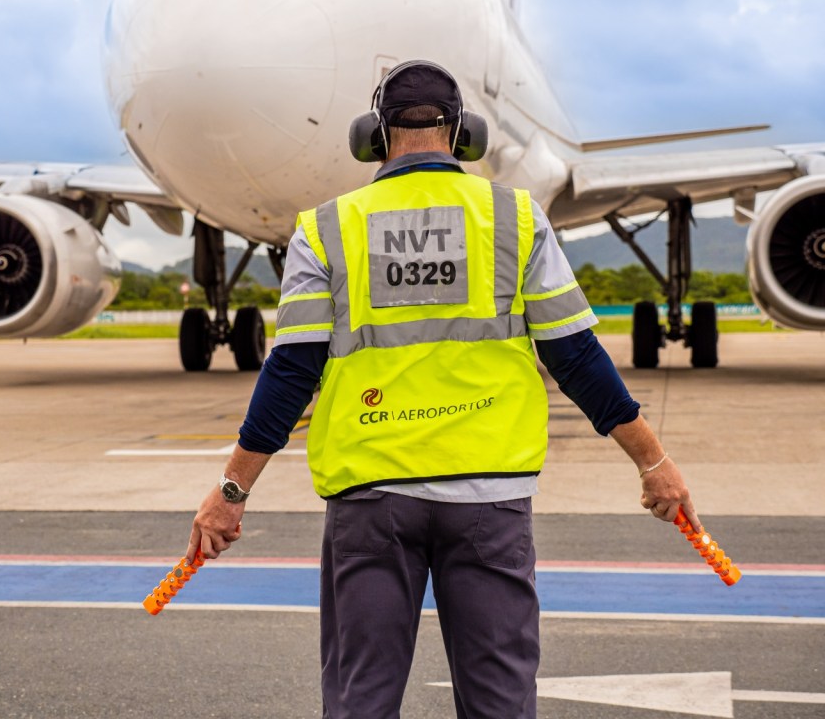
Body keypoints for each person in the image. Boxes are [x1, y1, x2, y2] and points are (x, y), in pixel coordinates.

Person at [186, 60, 701, 719]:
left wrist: (231, 493)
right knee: (500, 703)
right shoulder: (514, 218)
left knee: (359, 700)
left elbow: (292, 372)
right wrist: (653, 463)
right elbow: (575, 356)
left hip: (372, 500)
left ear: (373, 135)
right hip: (488, 500)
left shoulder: (327, 229)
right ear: (463, 134)